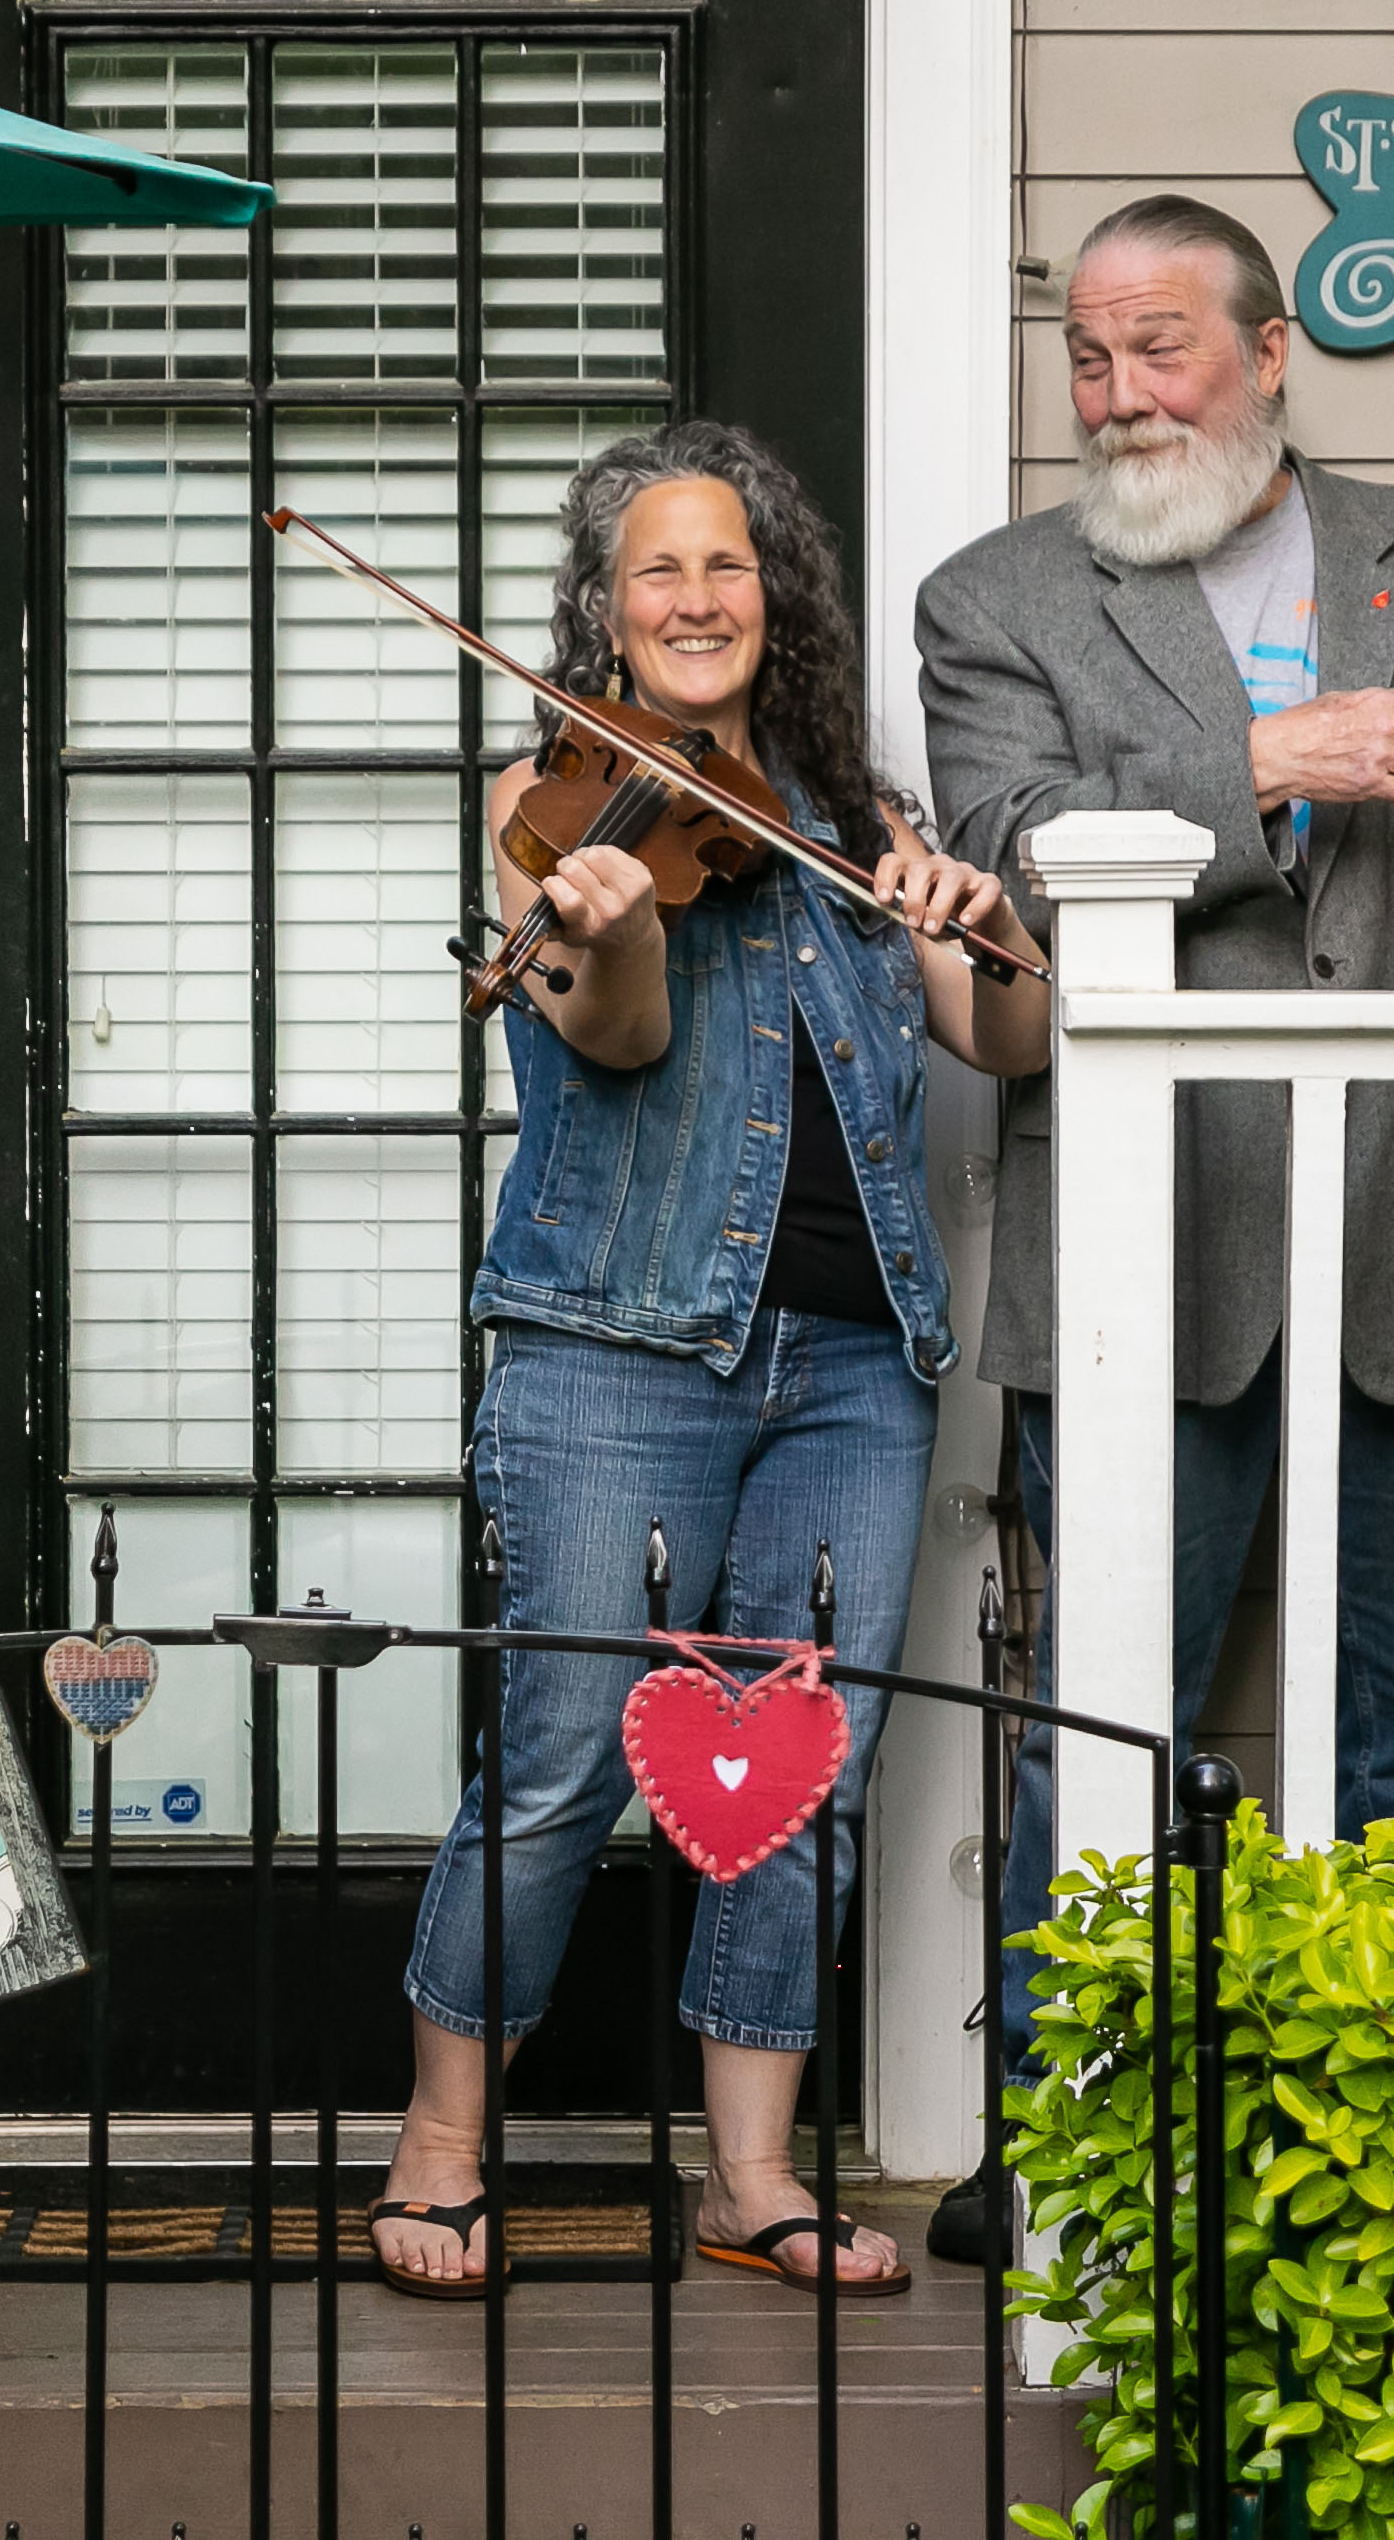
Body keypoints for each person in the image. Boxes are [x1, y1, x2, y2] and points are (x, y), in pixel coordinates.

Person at [368, 420, 1052, 2302]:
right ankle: (443, 2147)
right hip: (616, 1349)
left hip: (855, 1362)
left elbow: (1008, 1045)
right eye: (656, 568)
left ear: (777, 601)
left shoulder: (849, 817)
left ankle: (752, 2173)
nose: (695, 597)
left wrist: (989, 936)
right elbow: (613, 1044)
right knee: (565, 1758)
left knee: (798, 1769)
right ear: (602, 604)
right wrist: (621, 924)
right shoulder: (565, 805)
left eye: (728, 565)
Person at [914, 196, 1394, 2263]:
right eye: (1087, 357)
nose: (1119, 394)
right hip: (1140, 1255)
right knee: (1103, 1727)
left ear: (1269, 355)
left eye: (1162, 347)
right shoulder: (993, 598)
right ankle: (1061, 2142)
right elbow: (1001, 853)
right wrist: (1273, 754)